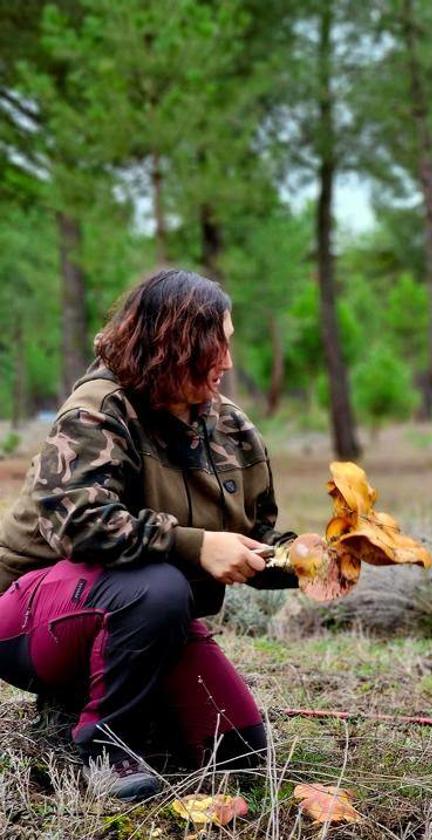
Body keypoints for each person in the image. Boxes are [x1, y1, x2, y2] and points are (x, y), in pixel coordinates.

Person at [0, 269, 307, 801]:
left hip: (144, 618)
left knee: (241, 754)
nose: (228, 364)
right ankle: (104, 746)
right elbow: (79, 524)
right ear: (172, 344)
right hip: (28, 619)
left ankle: (101, 702)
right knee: (159, 584)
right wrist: (198, 545)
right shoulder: (97, 409)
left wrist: (310, 559)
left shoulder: (231, 428)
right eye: (216, 346)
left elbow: (254, 537)